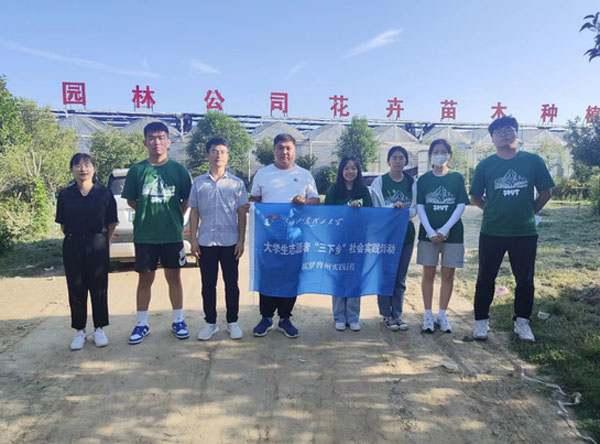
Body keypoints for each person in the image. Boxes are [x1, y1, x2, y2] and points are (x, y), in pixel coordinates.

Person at [470, 116, 554, 342]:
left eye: (508, 129)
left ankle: (522, 323)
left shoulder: (533, 161)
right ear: (492, 138)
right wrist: (491, 210)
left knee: (525, 280)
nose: (504, 134)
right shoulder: (485, 165)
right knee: (485, 278)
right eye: (498, 132)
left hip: (524, 232)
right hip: (492, 231)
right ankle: (481, 322)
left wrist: (529, 211)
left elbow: (546, 192)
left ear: (516, 133)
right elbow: (475, 196)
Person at [121, 121, 192, 344]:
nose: (156, 142)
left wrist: (174, 216)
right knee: (145, 279)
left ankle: (178, 320)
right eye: (152, 138)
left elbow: (186, 199)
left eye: (161, 138)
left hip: (172, 234)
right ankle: (142, 323)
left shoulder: (179, 170)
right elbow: (132, 200)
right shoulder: (137, 170)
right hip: (146, 235)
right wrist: (149, 214)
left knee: (174, 278)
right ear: (145, 142)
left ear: (169, 142)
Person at [249, 133, 320, 338]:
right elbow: (255, 200)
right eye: (280, 147)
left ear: (294, 151)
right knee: (268, 275)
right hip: (268, 236)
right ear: (274, 150)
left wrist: (304, 202)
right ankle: (266, 317)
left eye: (288, 148)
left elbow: (315, 200)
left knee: (290, 276)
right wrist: (251, 207)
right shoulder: (263, 174)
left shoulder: (305, 175)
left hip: (295, 237)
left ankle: (285, 318)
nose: (284, 152)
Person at [55, 153, 118, 350]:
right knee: (76, 287)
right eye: (78, 165)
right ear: (71, 169)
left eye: (87, 165)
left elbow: (112, 222)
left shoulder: (104, 193)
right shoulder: (65, 195)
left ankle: (99, 329)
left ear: (94, 169)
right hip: (73, 244)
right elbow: (63, 224)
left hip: (98, 243)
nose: (82, 169)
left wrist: (101, 241)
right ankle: (79, 331)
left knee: (99, 287)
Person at [188, 137, 248, 341]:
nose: (218, 155)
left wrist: (241, 240)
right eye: (214, 151)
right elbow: (194, 212)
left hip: (230, 241)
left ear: (228, 156)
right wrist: (193, 240)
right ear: (207, 155)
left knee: (231, 284)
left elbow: (241, 213)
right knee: (208, 285)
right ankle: (210, 323)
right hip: (206, 242)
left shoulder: (237, 183)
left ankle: (232, 321)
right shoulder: (198, 183)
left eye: (222, 151)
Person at [416, 139, 469, 334]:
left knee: (448, 274)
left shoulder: (456, 178)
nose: (439, 155)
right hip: (428, 235)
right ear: (431, 155)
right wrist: (430, 231)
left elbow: (460, 205)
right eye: (436, 151)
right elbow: (420, 206)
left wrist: (445, 229)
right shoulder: (424, 180)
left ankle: (442, 314)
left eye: (443, 151)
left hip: (453, 234)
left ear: (449, 155)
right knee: (428, 273)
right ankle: (427, 314)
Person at [371, 146, 417, 331]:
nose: (398, 161)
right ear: (388, 161)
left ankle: (397, 313)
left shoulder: (412, 182)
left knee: (400, 277)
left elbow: (415, 209)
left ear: (406, 161)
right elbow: (375, 209)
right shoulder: (380, 182)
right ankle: (386, 314)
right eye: (394, 158)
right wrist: (392, 208)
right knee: (385, 275)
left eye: (401, 158)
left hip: (406, 234)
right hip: (386, 234)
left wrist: (404, 211)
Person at [324, 156, 373, 332]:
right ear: (341, 171)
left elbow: (371, 214)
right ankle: (339, 316)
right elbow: (327, 215)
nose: (350, 171)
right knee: (338, 277)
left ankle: (353, 316)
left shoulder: (364, 191)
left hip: (357, 241)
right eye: (346, 168)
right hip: (338, 240)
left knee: (354, 278)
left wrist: (359, 210)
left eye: (353, 168)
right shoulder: (333, 190)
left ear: (358, 171)